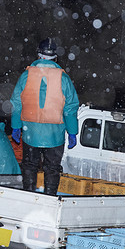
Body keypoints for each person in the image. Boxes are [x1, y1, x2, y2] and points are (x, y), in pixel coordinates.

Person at [10, 37, 79, 195]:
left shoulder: (26, 75)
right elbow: (70, 107)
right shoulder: (63, 78)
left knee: (29, 165)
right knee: (52, 168)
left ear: (38, 55)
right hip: (55, 134)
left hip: (31, 132)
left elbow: (16, 102)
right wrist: (72, 131)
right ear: (55, 56)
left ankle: (29, 194)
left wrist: (16, 126)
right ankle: (50, 197)